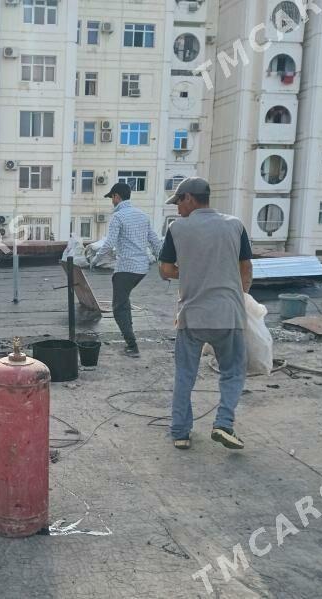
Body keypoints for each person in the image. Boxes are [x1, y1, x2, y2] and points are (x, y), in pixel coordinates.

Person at [158, 177, 253, 451]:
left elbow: (165, 270)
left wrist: (189, 271)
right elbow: (245, 268)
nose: (177, 209)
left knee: (185, 375)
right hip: (229, 315)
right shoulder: (235, 225)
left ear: (189, 198)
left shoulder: (178, 229)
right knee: (233, 372)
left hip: (192, 316)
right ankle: (223, 423)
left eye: (178, 202)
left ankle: (180, 433)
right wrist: (240, 295)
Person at [92, 182, 163, 358]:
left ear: (117, 196)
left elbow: (109, 243)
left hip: (126, 269)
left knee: (119, 307)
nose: (112, 202)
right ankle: (130, 340)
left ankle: (132, 346)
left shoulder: (118, 217)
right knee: (124, 302)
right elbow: (155, 241)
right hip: (141, 269)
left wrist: (95, 260)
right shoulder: (142, 215)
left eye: (112, 198)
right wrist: (164, 261)